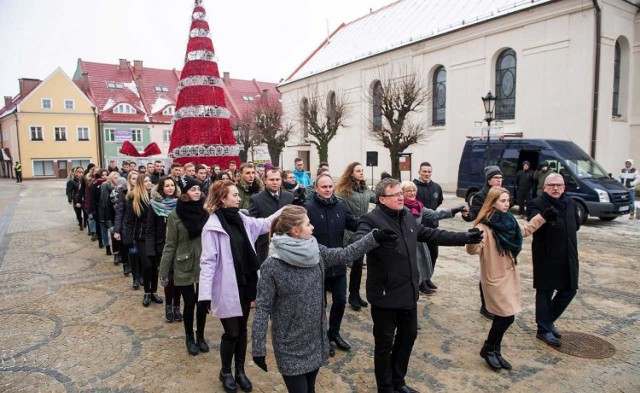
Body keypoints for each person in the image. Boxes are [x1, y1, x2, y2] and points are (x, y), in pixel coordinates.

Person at [351, 178, 483, 393]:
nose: (401, 197)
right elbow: (357, 242)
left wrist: (465, 237)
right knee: (384, 345)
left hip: (408, 293)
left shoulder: (406, 217)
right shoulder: (370, 220)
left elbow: (432, 234)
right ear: (382, 199)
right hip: (385, 296)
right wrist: (375, 238)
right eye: (395, 195)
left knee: (407, 338)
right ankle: (385, 388)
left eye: (401, 194)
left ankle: (398, 382)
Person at [251, 205, 397, 393]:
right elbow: (262, 307)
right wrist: (258, 348)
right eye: (308, 224)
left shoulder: (315, 251)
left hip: (315, 338)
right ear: (295, 231)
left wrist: (374, 237)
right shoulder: (272, 266)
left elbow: (345, 254)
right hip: (289, 343)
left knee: (311, 387)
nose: (312, 227)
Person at [198, 180, 283, 393]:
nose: (238, 198)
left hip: (246, 282)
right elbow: (207, 262)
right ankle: (225, 371)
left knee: (243, 329)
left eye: (237, 194)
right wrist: (204, 295)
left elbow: (264, 224)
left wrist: (285, 210)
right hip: (227, 286)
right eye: (234, 195)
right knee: (232, 332)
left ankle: (240, 371)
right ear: (222, 199)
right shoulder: (212, 227)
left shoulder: (242, 218)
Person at [467, 187, 553, 371]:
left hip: (509, 276)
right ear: (492, 202)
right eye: (502, 201)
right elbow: (473, 250)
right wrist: (471, 239)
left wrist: (542, 217)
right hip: (495, 279)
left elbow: (524, 231)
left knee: (504, 317)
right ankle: (489, 348)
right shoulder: (483, 226)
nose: (506, 204)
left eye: (507, 200)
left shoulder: (509, 221)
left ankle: (494, 350)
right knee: (506, 318)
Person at [305, 174, 359, 355]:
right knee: (320, 306)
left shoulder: (341, 207)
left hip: (338, 263)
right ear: (316, 188)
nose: (328, 190)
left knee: (341, 300)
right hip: (316, 265)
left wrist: (372, 222)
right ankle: (321, 337)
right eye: (324, 187)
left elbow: (354, 223)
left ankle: (333, 333)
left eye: (330, 186)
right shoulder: (307, 209)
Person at [526, 173, 581, 347]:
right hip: (547, 256)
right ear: (545, 187)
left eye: (559, 185)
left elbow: (576, 225)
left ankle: (547, 321)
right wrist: (543, 217)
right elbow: (531, 225)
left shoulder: (571, 204)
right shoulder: (536, 204)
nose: (556, 188)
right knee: (545, 292)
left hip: (568, 256)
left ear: (564, 187)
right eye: (551, 185)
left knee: (569, 290)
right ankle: (543, 330)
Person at [160, 176, 210, 356]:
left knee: (203, 303)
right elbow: (170, 245)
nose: (197, 192)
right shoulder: (175, 215)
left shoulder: (207, 212)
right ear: (185, 193)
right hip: (184, 264)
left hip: (204, 264)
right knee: (189, 303)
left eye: (198, 189)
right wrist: (164, 271)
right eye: (193, 189)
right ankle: (189, 337)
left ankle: (201, 336)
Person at [400, 181, 466, 296]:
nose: (412, 193)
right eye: (408, 191)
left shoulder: (418, 206)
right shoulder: (401, 207)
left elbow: (435, 214)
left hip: (420, 240)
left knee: (423, 262)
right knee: (412, 266)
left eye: (414, 190)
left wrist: (453, 210)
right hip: (407, 242)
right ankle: (417, 285)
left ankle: (423, 282)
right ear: (402, 193)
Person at [335, 162, 376, 311]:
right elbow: (338, 207)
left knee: (358, 265)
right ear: (351, 173)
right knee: (346, 264)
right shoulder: (343, 191)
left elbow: (378, 198)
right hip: (348, 230)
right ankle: (343, 295)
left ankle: (355, 294)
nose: (361, 173)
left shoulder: (365, 189)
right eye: (358, 171)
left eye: (362, 170)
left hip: (363, 229)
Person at [464, 165, 504, 320]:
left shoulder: (502, 193)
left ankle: (496, 303)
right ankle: (485, 306)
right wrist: (467, 216)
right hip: (486, 235)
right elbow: (474, 213)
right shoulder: (481, 195)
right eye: (496, 178)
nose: (499, 181)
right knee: (488, 273)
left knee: (499, 272)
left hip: (500, 234)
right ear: (489, 180)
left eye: (500, 178)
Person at [147, 176, 181, 323]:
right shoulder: (154, 205)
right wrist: (151, 250)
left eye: (172, 185)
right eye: (167, 186)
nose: (170, 188)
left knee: (179, 278)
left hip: (180, 246)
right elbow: (150, 229)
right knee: (169, 278)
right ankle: (168, 307)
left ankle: (177, 307)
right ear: (161, 188)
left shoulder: (180, 204)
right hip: (163, 247)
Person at [248, 167, 294, 264]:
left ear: (281, 180)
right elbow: (252, 223)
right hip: (266, 246)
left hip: (287, 244)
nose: (275, 182)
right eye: (271, 180)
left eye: (277, 179)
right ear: (265, 180)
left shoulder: (289, 197)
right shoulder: (256, 199)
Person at [412, 162, 444, 291]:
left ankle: (428, 278)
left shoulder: (436, 187)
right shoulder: (414, 187)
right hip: (419, 228)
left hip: (433, 227)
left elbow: (439, 201)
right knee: (420, 257)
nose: (426, 174)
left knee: (433, 254)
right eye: (424, 171)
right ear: (419, 172)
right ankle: (420, 282)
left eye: (429, 172)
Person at [121, 174, 155, 293]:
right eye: (145, 181)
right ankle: (145, 290)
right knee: (147, 264)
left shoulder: (155, 197)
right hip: (141, 236)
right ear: (140, 183)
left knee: (153, 266)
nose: (148, 183)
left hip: (154, 236)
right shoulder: (133, 198)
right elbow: (129, 221)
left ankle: (152, 291)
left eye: (149, 180)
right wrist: (128, 239)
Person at [113, 171, 139, 277]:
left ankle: (137, 274)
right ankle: (126, 264)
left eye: (137, 178)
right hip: (126, 224)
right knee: (126, 247)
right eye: (133, 178)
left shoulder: (143, 192)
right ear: (129, 180)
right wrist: (117, 230)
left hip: (138, 225)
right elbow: (119, 212)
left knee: (136, 250)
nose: (135, 181)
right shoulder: (124, 192)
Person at [98, 171, 120, 255]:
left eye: (118, 177)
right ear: (111, 179)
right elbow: (104, 201)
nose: (117, 179)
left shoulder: (121, 187)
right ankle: (110, 249)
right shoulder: (105, 186)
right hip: (108, 211)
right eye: (115, 178)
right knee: (111, 232)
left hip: (118, 213)